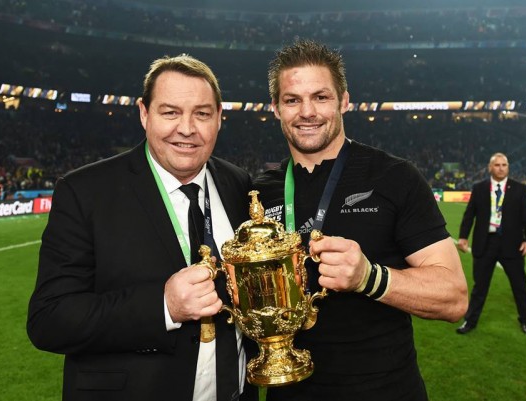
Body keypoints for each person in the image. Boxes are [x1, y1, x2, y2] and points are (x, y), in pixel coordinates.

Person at [27, 54, 255, 401]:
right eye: (170, 112)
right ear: (144, 113)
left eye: (202, 114)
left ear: (220, 118)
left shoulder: (238, 184)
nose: (187, 128)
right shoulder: (85, 192)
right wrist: (163, 307)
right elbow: (49, 320)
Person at [252, 39, 468, 401]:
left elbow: (455, 297)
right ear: (275, 108)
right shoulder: (259, 194)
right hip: (289, 392)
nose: (307, 111)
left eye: (321, 97)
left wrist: (370, 277)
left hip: (385, 391)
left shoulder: (395, 177)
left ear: (345, 101)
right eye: (292, 100)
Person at [456, 152, 526, 335]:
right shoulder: (479, 188)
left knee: (519, 286)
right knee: (479, 287)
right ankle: (470, 321)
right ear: (490, 168)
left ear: (508, 167)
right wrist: (463, 236)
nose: (501, 168)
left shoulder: (520, 189)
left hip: (512, 245)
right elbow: (470, 215)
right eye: (497, 165)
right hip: (485, 243)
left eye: (504, 165)